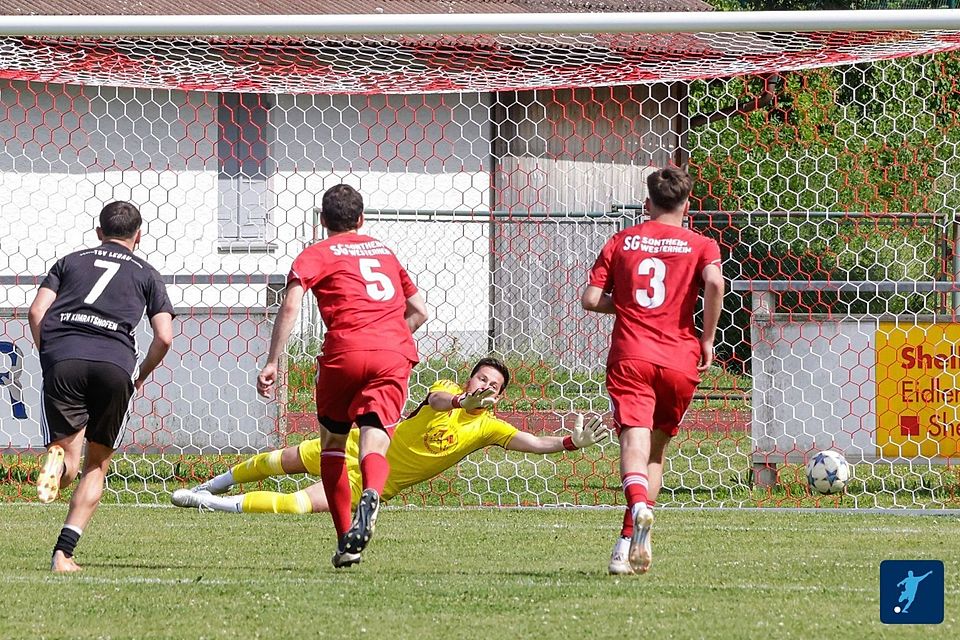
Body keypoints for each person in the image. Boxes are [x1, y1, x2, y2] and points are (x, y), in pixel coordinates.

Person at [171, 357, 607, 521]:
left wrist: (571, 443)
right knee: (276, 460)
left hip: (373, 482)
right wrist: (461, 402)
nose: (484, 385)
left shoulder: (490, 429)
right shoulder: (448, 391)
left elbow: (533, 443)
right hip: (363, 445)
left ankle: (209, 504)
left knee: (300, 504)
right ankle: (213, 484)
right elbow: (435, 399)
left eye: (493, 383)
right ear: (469, 377)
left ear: (501, 393)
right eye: (480, 376)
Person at [256, 184, 428, 568]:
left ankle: (345, 539)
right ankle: (371, 492)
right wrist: (391, 340)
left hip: (344, 351)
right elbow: (420, 310)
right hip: (393, 353)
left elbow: (290, 306)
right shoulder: (384, 251)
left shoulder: (315, 254)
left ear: (323, 221)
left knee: (333, 445)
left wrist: (272, 361)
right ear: (361, 219)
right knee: (374, 442)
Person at [581, 166, 724, 576]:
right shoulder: (701, 244)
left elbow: (591, 299)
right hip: (679, 359)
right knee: (655, 454)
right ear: (687, 204)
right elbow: (714, 285)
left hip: (631, 355)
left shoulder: (622, 241)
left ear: (647, 203)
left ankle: (638, 508)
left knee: (633, 447)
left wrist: (627, 305)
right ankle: (625, 544)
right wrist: (707, 338)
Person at [29, 201, 174, 573]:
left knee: (69, 460)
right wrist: (140, 374)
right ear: (139, 236)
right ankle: (63, 554)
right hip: (114, 364)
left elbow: (36, 312)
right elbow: (165, 337)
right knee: (96, 465)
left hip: (65, 357)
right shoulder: (147, 273)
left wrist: (52, 354)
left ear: (98, 232)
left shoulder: (70, 261)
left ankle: (57, 462)